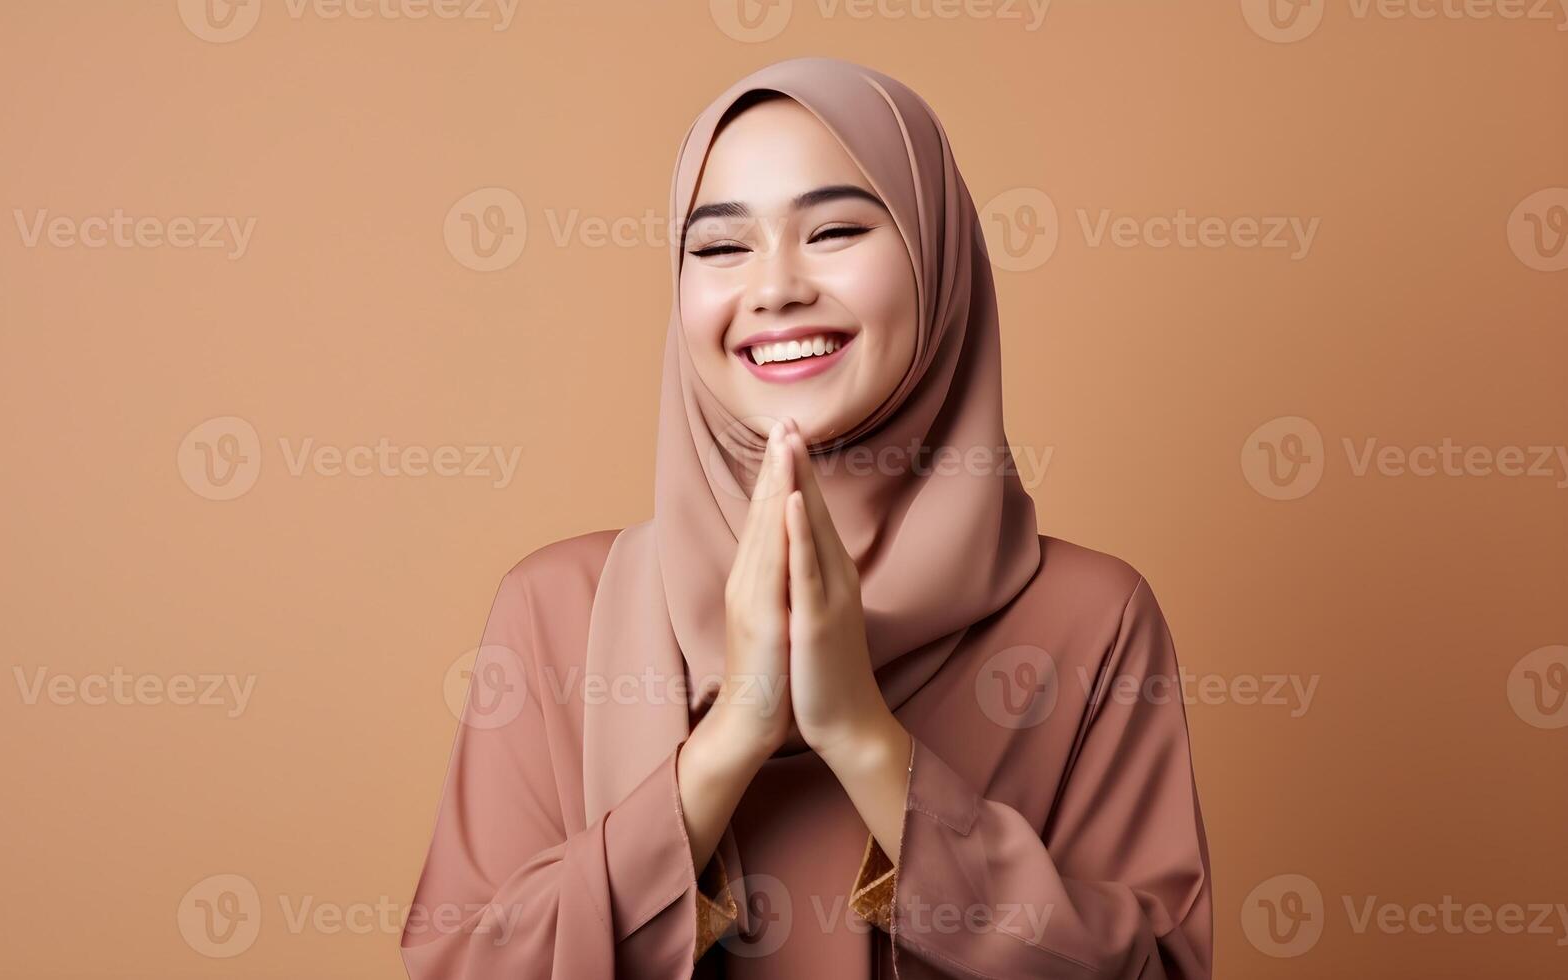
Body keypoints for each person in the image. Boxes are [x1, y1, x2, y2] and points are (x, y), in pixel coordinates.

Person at [399, 56, 1212, 978]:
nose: (775, 286)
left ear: (937, 257)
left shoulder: (1089, 619)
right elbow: (463, 966)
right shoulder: (558, 609)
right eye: (717, 247)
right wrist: (728, 740)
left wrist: (865, 740)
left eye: (833, 231)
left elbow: (1155, 968)